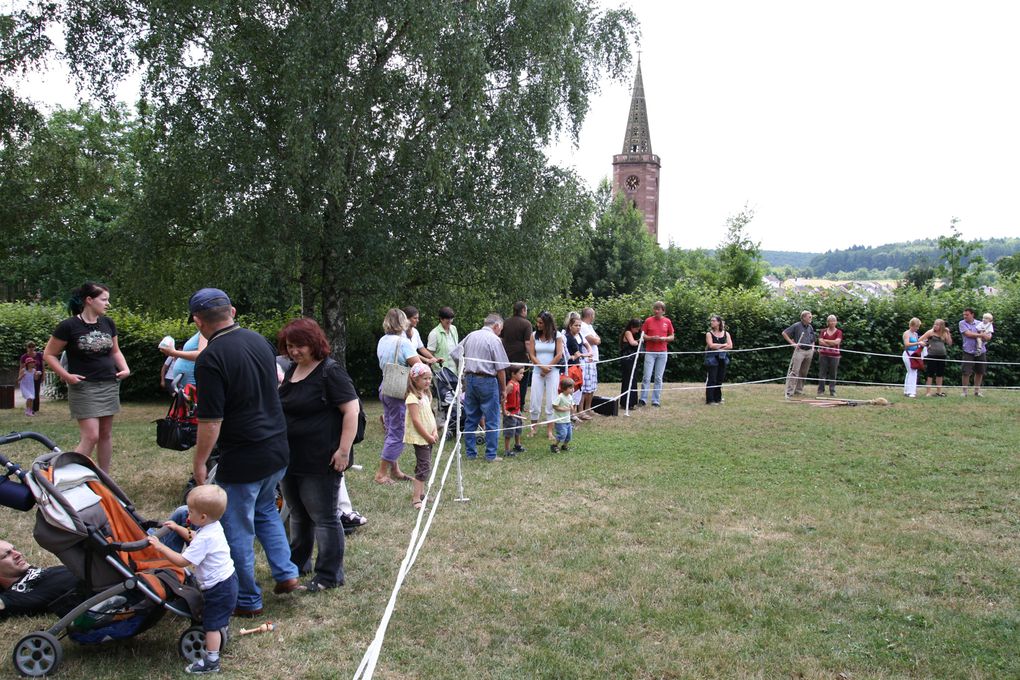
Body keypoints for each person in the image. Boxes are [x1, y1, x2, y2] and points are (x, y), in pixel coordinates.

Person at [188, 288, 302, 618]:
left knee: (236, 526)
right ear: (232, 311)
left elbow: (210, 421)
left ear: (198, 321)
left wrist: (199, 462)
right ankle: (286, 572)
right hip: (277, 447)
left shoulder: (210, 359)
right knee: (265, 509)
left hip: (244, 455)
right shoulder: (259, 341)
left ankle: (248, 599)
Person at [277, 318, 359, 592]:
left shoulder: (330, 372)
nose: (294, 351)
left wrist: (343, 451)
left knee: (324, 516)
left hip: (322, 458)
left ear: (314, 343)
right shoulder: (291, 370)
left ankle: (329, 574)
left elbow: (352, 411)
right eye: (289, 346)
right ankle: (298, 564)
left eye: (299, 345)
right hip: (291, 456)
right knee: (298, 514)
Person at [147, 485, 237, 675]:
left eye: (191, 511)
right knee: (218, 617)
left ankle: (212, 661)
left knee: (210, 625)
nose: (187, 513)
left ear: (202, 517)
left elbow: (182, 561)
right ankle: (222, 630)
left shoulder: (206, 538)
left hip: (218, 587)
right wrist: (178, 527)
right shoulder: (212, 527)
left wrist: (160, 547)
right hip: (227, 580)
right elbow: (194, 537)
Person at [43, 282, 130, 473]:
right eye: (104, 299)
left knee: (105, 434)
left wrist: (125, 368)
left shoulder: (108, 323)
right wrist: (66, 376)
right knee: (91, 436)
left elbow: (115, 350)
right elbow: (48, 355)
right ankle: (66, 477)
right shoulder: (68, 326)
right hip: (84, 387)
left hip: (109, 383)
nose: (108, 304)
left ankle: (104, 478)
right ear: (89, 300)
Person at [450, 314, 510, 462]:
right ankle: (490, 455)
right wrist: (503, 389)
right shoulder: (494, 339)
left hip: (470, 379)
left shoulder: (471, 335)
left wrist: (464, 370)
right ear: (496, 326)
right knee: (492, 419)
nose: (500, 332)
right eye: (500, 329)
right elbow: (501, 368)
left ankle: (471, 453)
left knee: (471, 417)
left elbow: (455, 354)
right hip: (487, 380)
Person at [376, 308, 422, 484]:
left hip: (385, 386)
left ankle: (395, 470)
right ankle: (381, 473)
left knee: (391, 429)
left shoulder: (382, 340)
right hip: (399, 390)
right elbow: (418, 368)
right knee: (398, 432)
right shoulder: (403, 343)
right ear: (403, 322)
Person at [0, 540, 83, 619]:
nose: (18, 554)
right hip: (90, 589)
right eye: (6, 555)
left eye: (14, 549)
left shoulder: (44, 572)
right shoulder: (15, 596)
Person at [404, 363, 438, 510]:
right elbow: (416, 421)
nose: (428, 381)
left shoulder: (425, 395)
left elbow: (430, 415)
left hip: (429, 436)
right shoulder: (412, 398)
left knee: (425, 465)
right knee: (423, 467)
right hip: (421, 438)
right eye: (425, 378)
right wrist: (427, 436)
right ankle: (416, 498)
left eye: (430, 378)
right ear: (415, 379)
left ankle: (422, 494)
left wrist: (435, 431)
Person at [526, 311, 564, 442]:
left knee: (551, 400)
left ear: (547, 323)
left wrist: (548, 368)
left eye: (541, 322)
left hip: (552, 372)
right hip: (537, 371)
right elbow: (532, 355)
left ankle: (549, 430)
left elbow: (559, 354)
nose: (538, 325)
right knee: (535, 399)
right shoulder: (534, 335)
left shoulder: (557, 336)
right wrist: (542, 367)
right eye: (537, 322)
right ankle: (533, 428)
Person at [639, 301, 675, 407]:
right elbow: (642, 335)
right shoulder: (648, 320)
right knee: (647, 376)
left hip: (662, 353)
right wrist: (651, 338)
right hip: (650, 352)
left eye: (658, 309)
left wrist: (664, 338)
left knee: (658, 377)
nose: (656, 311)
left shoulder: (667, 321)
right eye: (655, 308)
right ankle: (643, 399)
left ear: (663, 311)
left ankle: (655, 400)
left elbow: (672, 336)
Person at [501, 301, 533, 407]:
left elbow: (500, 338)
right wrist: (532, 356)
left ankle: (505, 403)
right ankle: (520, 404)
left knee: (507, 381)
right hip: (521, 357)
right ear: (523, 310)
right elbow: (527, 343)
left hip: (506, 356)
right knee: (522, 382)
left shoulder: (505, 322)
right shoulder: (526, 323)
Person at [782, 310, 815, 399]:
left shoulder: (810, 327)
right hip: (799, 351)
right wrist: (792, 344)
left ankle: (799, 391)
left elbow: (813, 338)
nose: (811, 318)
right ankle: (789, 392)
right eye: (809, 317)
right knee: (795, 372)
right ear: (804, 317)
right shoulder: (796, 326)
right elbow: (784, 333)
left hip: (809, 352)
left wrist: (813, 347)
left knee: (804, 372)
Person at [959, 307, 991, 397]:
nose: (965, 316)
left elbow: (988, 335)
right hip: (968, 351)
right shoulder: (962, 323)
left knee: (980, 371)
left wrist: (987, 336)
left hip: (981, 351)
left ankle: (977, 391)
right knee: (966, 372)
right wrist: (981, 335)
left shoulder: (980, 323)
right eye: (964, 315)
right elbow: (968, 334)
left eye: (967, 315)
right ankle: (964, 392)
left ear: (972, 314)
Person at [562, 312, 589, 420]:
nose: (578, 328)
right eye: (576, 325)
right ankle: (571, 414)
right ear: (570, 326)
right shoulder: (570, 338)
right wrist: (587, 354)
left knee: (575, 391)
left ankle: (572, 414)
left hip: (576, 366)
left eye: (579, 325)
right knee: (571, 391)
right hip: (571, 368)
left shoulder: (574, 336)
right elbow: (577, 354)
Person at [704, 315, 732, 405]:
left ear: (718, 322)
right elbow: (711, 345)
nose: (711, 322)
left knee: (719, 379)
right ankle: (710, 400)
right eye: (711, 321)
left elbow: (730, 346)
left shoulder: (726, 333)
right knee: (712, 379)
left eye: (713, 321)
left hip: (722, 358)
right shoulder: (709, 334)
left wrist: (719, 346)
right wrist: (723, 345)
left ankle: (718, 398)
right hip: (712, 359)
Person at [920, 319, 952, 397]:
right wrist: (927, 345)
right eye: (934, 324)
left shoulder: (944, 333)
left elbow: (949, 343)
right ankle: (928, 392)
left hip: (942, 355)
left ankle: (939, 392)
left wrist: (948, 332)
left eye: (937, 325)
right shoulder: (930, 332)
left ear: (941, 326)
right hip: (932, 355)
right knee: (930, 373)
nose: (935, 326)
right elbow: (920, 340)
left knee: (940, 374)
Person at [579, 307, 601, 418]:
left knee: (592, 386)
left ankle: (588, 408)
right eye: (594, 315)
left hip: (593, 360)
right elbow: (594, 340)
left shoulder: (590, 327)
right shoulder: (582, 326)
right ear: (590, 315)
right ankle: (581, 410)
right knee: (584, 387)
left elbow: (598, 339)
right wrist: (596, 339)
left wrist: (596, 339)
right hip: (586, 360)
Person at [426, 306, 459, 372]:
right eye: (447, 319)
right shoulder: (434, 333)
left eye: (451, 319)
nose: (450, 321)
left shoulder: (454, 329)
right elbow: (429, 355)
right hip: (441, 372)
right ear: (441, 319)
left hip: (454, 371)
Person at [816, 315, 843, 397]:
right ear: (827, 322)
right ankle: (820, 390)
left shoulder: (839, 332)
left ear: (836, 322)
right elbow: (820, 342)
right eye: (830, 321)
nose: (832, 322)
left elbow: (837, 342)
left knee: (833, 373)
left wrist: (826, 341)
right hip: (823, 355)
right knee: (822, 373)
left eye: (833, 321)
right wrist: (830, 343)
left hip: (835, 356)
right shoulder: (823, 331)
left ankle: (832, 391)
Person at [619, 319, 642, 410]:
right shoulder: (628, 332)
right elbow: (632, 343)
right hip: (628, 359)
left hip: (630, 359)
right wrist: (639, 341)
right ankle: (627, 403)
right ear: (632, 327)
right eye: (636, 329)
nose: (637, 331)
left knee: (631, 379)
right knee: (629, 379)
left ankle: (629, 402)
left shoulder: (631, 333)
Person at [503, 365, 526, 456]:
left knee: (518, 429)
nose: (522, 375)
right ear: (513, 374)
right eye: (520, 373)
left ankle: (517, 445)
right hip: (510, 413)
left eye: (523, 373)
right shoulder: (510, 385)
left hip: (517, 411)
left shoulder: (517, 383)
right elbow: (503, 398)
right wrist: (505, 410)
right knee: (509, 432)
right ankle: (507, 450)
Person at [19, 341, 44, 414]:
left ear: (35, 347)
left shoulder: (39, 355)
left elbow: (42, 366)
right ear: (27, 348)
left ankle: (35, 409)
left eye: (32, 346)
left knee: (36, 392)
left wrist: (43, 376)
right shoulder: (24, 357)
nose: (31, 348)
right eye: (29, 347)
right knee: (29, 392)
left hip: (37, 374)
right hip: (27, 377)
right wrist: (20, 377)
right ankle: (29, 408)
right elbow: (21, 368)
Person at [901, 317, 924, 398]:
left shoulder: (915, 334)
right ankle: (911, 392)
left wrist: (922, 344)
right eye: (916, 326)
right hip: (908, 354)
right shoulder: (906, 333)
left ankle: (907, 390)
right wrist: (918, 343)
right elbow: (906, 344)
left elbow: (917, 344)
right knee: (912, 371)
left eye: (918, 327)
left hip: (914, 354)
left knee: (911, 372)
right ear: (911, 325)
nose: (917, 328)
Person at [551, 376, 575, 453]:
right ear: (565, 388)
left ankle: (564, 445)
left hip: (567, 420)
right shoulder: (560, 397)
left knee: (569, 435)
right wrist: (563, 409)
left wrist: (572, 409)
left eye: (573, 388)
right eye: (571, 388)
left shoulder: (570, 397)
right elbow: (554, 406)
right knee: (562, 434)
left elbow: (571, 405)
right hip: (560, 420)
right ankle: (554, 445)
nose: (573, 389)